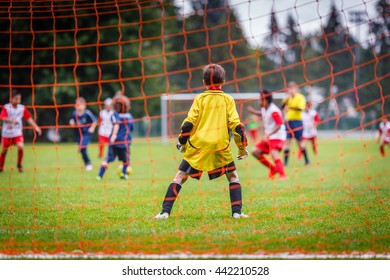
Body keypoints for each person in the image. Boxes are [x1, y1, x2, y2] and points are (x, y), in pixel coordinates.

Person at [154, 63, 249, 219]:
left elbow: (188, 124)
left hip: (198, 145)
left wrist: (182, 143)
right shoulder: (228, 99)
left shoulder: (199, 99)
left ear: (204, 82)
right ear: (223, 81)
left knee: (179, 177)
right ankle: (237, 213)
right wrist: (241, 148)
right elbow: (237, 126)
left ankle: (165, 212)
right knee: (233, 177)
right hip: (220, 146)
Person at [248, 90, 287, 180]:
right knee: (255, 152)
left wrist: (268, 135)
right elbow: (263, 114)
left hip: (278, 136)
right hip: (269, 136)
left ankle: (283, 175)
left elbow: (279, 124)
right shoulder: (264, 108)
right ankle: (273, 169)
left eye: (260, 99)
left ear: (265, 100)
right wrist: (253, 112)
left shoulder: (274, 111)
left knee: (274, 153)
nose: (259, 101)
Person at [0, 90, 42, 172]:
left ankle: (19, 164)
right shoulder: (6, 107)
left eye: (19, 99)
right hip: (7, 133)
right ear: (11, 99)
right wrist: (12, 120)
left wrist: (36, 127)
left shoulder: (22, 108)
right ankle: (1, 167)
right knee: (4, 150)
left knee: (21, 146)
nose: (18, 101)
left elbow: (28, 118)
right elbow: (2, 117)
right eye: (16, 99)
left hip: (17, 133)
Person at [96, 96, 133, 180]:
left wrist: (113, 136)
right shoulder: (129, 117)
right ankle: (124, 174)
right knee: (126, 159)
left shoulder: (114, 115)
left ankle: (100, 175)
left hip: (113, 142)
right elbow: (130, 128)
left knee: (107, 159)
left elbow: (115, 124)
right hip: (124, 142)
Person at [281, 81, 308, 165]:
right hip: (288, 122)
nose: (291, 90)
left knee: (300, 142)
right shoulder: (287, 98)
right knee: (287, 142)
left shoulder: (300, 97)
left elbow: (301, 108)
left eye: (292, 88)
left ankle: (307, 161)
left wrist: (290, 107)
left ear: (296, 88)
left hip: (297, 122)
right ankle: (285, 163)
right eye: (289, 88)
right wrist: (287, 99)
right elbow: (282, 107)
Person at [69, 97, 97, 171]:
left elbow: (94, 121)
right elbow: (72, 120)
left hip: (87, 133)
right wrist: (71, 123)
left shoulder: (87, 113)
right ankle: (87, 163)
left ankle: (88, 163)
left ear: (84, 105)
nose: (78, 106)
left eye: (80, 104)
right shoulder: (74, 114)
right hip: (78, 134)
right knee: (82, 150)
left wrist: (92, 128)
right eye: (77, 104)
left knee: (82, 148)